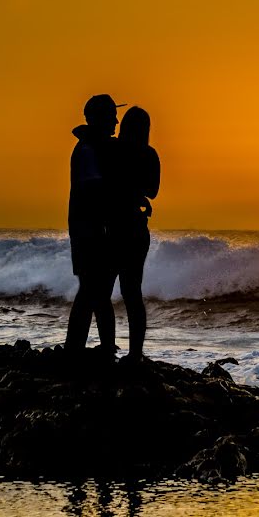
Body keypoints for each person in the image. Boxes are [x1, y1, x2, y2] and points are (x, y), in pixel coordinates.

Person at [65, 93, 125, 356]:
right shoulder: (90, 150)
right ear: (98, 119)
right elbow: (96, 193)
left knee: (94, 294)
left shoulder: (94, 148)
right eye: (111, 115)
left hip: (88, 232)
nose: (116, 120)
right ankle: (85, 351)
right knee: (94, 294)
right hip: (91, 234)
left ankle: (91, 350)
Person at [109, 106, 160, 361]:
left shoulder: (113, 151)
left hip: (112, 229)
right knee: (132, 294)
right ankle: (135, 353)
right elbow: (153, 191)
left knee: (105, 291)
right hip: (136, 229)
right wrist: (137, 193)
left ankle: (109, 348)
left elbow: (107, 186)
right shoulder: (149, 154)